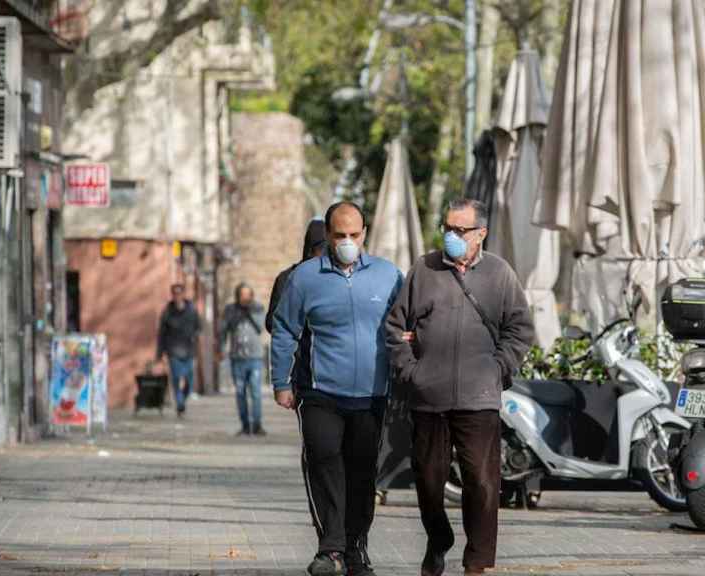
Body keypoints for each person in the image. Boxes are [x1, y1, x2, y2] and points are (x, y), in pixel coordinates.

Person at [385, 198, 534, 576]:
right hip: (427, 397)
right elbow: (393, 328)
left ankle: (477, 562)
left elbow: (520, 330)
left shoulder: (500, 274)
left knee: (482, 483)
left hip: (479, 398)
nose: (451, 235)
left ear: (481, 233)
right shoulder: (424, 269)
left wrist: (498, 369)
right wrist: (411, 371)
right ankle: (438, 541)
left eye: (460, 230)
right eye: (447, 228)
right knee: (428, 481)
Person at [271, 202, 403, 576]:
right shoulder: (306, 277)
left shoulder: (388, 275)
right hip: (320, 393)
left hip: (372, 395)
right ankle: (330, 549)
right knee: (324, 461)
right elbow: (283, 330)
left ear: (365, 233)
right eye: (340, 235)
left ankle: (356, 548)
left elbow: (408, 323)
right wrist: (281, 382)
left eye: (354, 235)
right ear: (327, 235)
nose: (347, 242)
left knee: (362, 473)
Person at [220, 283, 267, 436]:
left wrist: (249, 312)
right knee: (240, 392)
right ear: (237, 296)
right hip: (237, 357)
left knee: (255, 392)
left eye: (248, 294)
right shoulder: (230, 310)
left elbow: (261, 327)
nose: (245, 297)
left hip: (255, 357)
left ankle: (257, 425)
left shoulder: (258, 308)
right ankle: (245, 425)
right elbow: (224, 330)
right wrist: (221, 349)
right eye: (242, 294)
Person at [156, 283, 202, 418]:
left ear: (183, 294)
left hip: (189, 350)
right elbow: (161, 333)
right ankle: (180, 404)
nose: (177, 296)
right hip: (173, 350)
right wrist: (160, 353)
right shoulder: (167, 311)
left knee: (189, 380)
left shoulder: (192, 310)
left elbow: (199, 327)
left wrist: (195, 335)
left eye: (179, 293)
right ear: (172, 295)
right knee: (176, 378)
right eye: (174, 293)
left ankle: (183, 398)